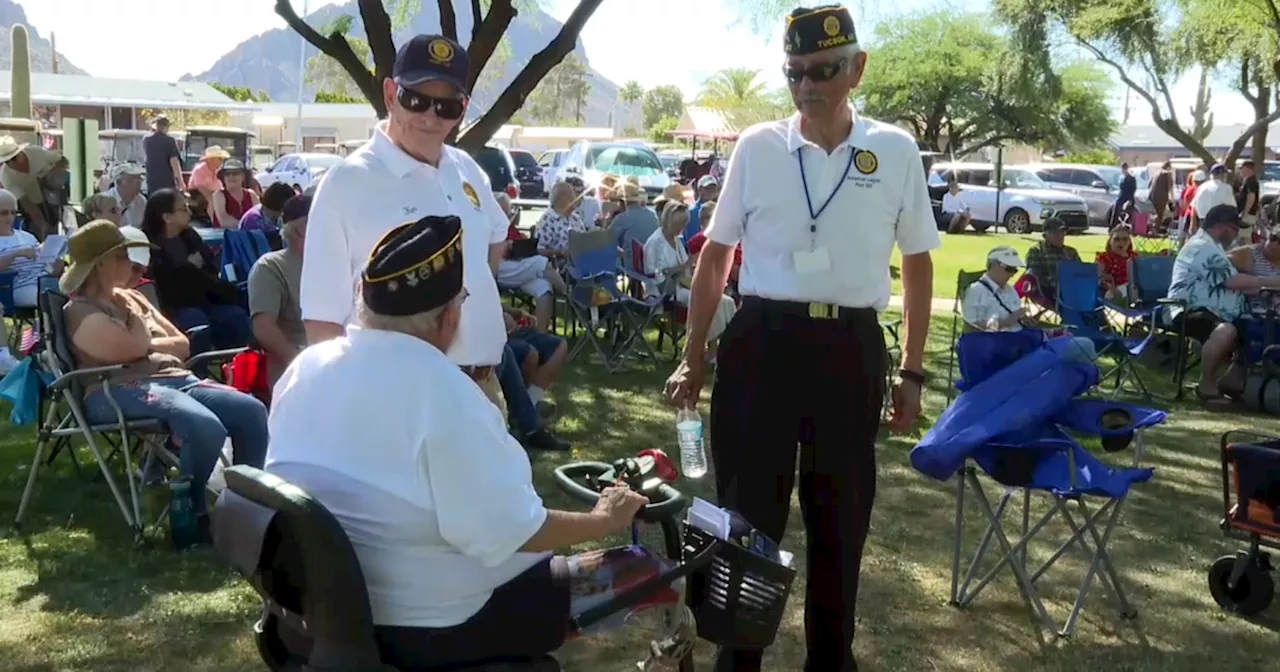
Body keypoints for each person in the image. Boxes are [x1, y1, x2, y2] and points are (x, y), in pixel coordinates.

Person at [267, 215, 693, 670]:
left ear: (363, 302)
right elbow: (514, 531)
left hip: (324, 615)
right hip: (442, 622)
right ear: (449, 316)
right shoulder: (446, 394)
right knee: (653, 572)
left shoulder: (305, 369)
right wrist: (603, 518)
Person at [663, 6, 938, 670]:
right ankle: (738, 659)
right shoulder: (758, 146)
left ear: (857, 69)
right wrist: (693, 355)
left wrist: (911, 372)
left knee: (839, 521)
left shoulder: (894, 150)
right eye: (795, 73)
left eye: (823, 71)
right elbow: (715, 256)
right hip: (762, 343)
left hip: (849, 349)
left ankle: (831, 660)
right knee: (747, 520)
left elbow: (920, 261)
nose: (807, 85)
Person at [301, 35, 512, 412]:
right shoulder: (347, 183)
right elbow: (322, 322)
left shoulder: (467, 169)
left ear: (463, 109)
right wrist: (344, 401)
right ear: (389, 94)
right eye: (415, 100)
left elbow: (495, 233)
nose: (430, 117)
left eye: (446, 106)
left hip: (482, 386)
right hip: (396, 397)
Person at [59, 220, 267, 539]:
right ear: (100, 264)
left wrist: (140, 341)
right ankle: (192, 513)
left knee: (250, 410)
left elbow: (182, 343)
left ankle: (246, 507)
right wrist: (139, 334)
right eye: (121, 256)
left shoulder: (134, 299)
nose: (131, 263)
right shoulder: (79, 311)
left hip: (176, 378)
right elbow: (129, 347)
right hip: (114, 391)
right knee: (202, 424)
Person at [1168, 205, 1280, 402]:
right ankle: (1206, 385)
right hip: (1187, 309)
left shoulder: (1214, 247)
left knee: (1255, 326)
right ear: (1223, 227)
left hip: (1215, 311)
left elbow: (1239, 283)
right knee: (1225, 330)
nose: (1237, 235)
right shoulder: (1202, 247)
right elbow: (1233, 281)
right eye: (1236, 229)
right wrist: (1272, 282)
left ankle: (1233, 379)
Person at [141, 189, 251, 353]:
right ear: (167, 217)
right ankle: (197, 372)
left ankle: (237, 368)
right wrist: (188, 267)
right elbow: (162, 283)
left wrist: (188, 269)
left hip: (207, 298)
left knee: (235, 317)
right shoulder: (149, 245)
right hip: (173, 306)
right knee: (197, 325)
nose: (189, 211)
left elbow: (210, 269)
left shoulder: (190, 237)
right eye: (183, 209)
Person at [644, 201, 737, 357]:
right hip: (667, 290)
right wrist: (682, 268)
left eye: (684, 225)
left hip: (684, 284)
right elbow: (656, 275)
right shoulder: (655, 243)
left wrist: (693, 269)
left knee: (726, 301)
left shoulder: (676, 240)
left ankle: (725, 345)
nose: (682, 229)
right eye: (679, 225)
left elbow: (686, 266)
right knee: (711, 301)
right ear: (668, 221)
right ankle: (710, 349)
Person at [248, 196, 311, 384]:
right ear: (291, 232)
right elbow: (264, 327)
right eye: (308, 226)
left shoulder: (340, 263)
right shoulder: (271, 267)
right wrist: (299, 365)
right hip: (296, 367)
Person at [0, 188, 63, 371]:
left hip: (43, 280)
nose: (9, 217)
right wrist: (16, 253)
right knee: (54, 296)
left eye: (13, 212)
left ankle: (63, 347)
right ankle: (53, 348)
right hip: (14, 287)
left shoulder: (26, 236)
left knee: (70, 291)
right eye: (4, 213)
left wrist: (55, 262)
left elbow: (49, 268)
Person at [495, 192, 566, 330]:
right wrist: (503, 247)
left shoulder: (509, 227)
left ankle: (541, 334)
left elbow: (521, 241)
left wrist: (520, 245)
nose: (506, 216)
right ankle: (568, 293)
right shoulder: (489, 225)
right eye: (502, 212)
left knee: (544, 287)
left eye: (507, 212)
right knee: (540, 262)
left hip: (517, 268)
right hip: (498, 269)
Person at [0, 135, 63, 240]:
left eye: (14, 158)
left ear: (20, 152)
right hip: (34, 204)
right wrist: (40, 222)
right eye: (7, 160)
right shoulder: (6, 177)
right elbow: (25, 202)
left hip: (54, 198)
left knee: (56, 230)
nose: (11, 163)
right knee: (37, 230)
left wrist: (52, 175)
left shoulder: (37, 153)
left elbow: (61, 160)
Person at [1023, 218, 1081, 307]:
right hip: (1048, 293)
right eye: (1056, 233)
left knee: (1091, 296)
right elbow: (1035, 278)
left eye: (1062, 232)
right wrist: (1058, 282)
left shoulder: (1070, 252)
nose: (1061, 236)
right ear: (1045, 235)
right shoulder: (1037, 252)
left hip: (1075, 289)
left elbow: (1081, 271)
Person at [534, 180, 591, 264]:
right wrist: (560, 252)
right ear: (563, 199)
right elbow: (538, 250)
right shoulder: (548, 220)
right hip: (562, 268)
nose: (577, 197)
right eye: (573, 194)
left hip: (583, 261)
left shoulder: (575, 218)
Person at [1228, 225, 1280, 313]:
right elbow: (1219, 275)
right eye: (1273, 237)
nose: (1273, 244)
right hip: (1254, 317)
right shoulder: (1248, 254)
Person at [609, 182, 660, 271]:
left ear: (622, 202)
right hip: (654, 262)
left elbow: (607, 240)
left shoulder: (622, 218)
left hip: (633, 264)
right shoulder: (653, 215)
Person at [119, 225, 162, 308]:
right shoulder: (91, 293)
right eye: (133, 268)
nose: (130, 274)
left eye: (138, 269)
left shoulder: (145, 289)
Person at [1192, 164, 1238, 240]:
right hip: (1218, 223)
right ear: (1221, 174)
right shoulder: (1226, 188)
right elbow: (1233, 207)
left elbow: (1194, 205)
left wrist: (1193, 223)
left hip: (1202, 221)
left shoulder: (1202, 187)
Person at [143, 115, 186, 195]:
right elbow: (174, 161)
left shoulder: (146, 140)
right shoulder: (169, 141)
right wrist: (181, 181)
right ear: (166, 127)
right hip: (166, 180)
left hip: (151, 179)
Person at [211, 159, 259, 230]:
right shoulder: (219, 195)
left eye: (235, 173)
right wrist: (246, 225)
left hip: (248, 236)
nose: (231, 177)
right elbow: (223, 221)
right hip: (223, 238)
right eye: (227, 174)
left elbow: (260, 217)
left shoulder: (251, 195)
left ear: (243, 176)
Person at [1096, 225, 1138, 302]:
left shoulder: (1135, 257)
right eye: (1116, 239)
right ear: (1110, 241)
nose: (1121, 243)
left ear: (1129, 242)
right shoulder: (1103, 257)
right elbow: (1099, 277)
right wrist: (1113, 289)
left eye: (1125, 239)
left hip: (1133, 289)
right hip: (1110, 291)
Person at [188, 146, 230, 218]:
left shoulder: (218, 171)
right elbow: (201, 188)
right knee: (212, 198)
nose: (222, 161)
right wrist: (216, 195)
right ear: (211, 159)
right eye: (220, 159)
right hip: (197, 194)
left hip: (214, 192)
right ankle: (214, 220)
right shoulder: (199, 170)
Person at [108, 163, 147, 228]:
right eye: (134, 180)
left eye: (140, 179)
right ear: (119, 182)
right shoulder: (106, 200)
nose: (139, 183)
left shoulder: (142, 201)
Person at [686, 175, 719, 244]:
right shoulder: (693, 211)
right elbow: (691, 239)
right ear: (700, 189)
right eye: (708, 188)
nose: (711, 191)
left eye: (713, 188)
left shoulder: (718, 209)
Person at [1179, 170, 1205, 241]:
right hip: (1198, 217)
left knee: (1187, 237)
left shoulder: (1189, 189)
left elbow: (1184, 205)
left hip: (1187, 215)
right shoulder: (1203, 190)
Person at [1150, 161, 1174, 225]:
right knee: (1160, 214)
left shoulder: (1156, 173)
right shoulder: (1167, 174)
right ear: (1169, 167)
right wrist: (1172, 199)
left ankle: (1154, 226)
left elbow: (1149, 185)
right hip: (1161, 197)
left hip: (1153, 197)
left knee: (1158, 213)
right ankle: (1156, 229)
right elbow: (1170, 188)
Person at [1238, 160, 1260, 229]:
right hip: (1247, 213)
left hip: (1248, 215)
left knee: (1244, 236)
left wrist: (1245, 212)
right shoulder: (1247, 181)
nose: (1241, 171)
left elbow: (1251, 197)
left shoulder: (1251, 182)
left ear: (1248, 169)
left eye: (1242, 169)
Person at [1114, 162, 1137, 227]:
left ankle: (1128, 227)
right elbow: (1121, 188)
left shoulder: (1131, 178)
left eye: (1124, 169)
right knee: (1117, 213)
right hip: (1121, 198)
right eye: (1122, 169)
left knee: (1127, 214)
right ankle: (1117, 226)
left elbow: (1132, 190)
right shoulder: (1121, 177)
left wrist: (1129, 200)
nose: (1123, 170)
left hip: (1128, 199)